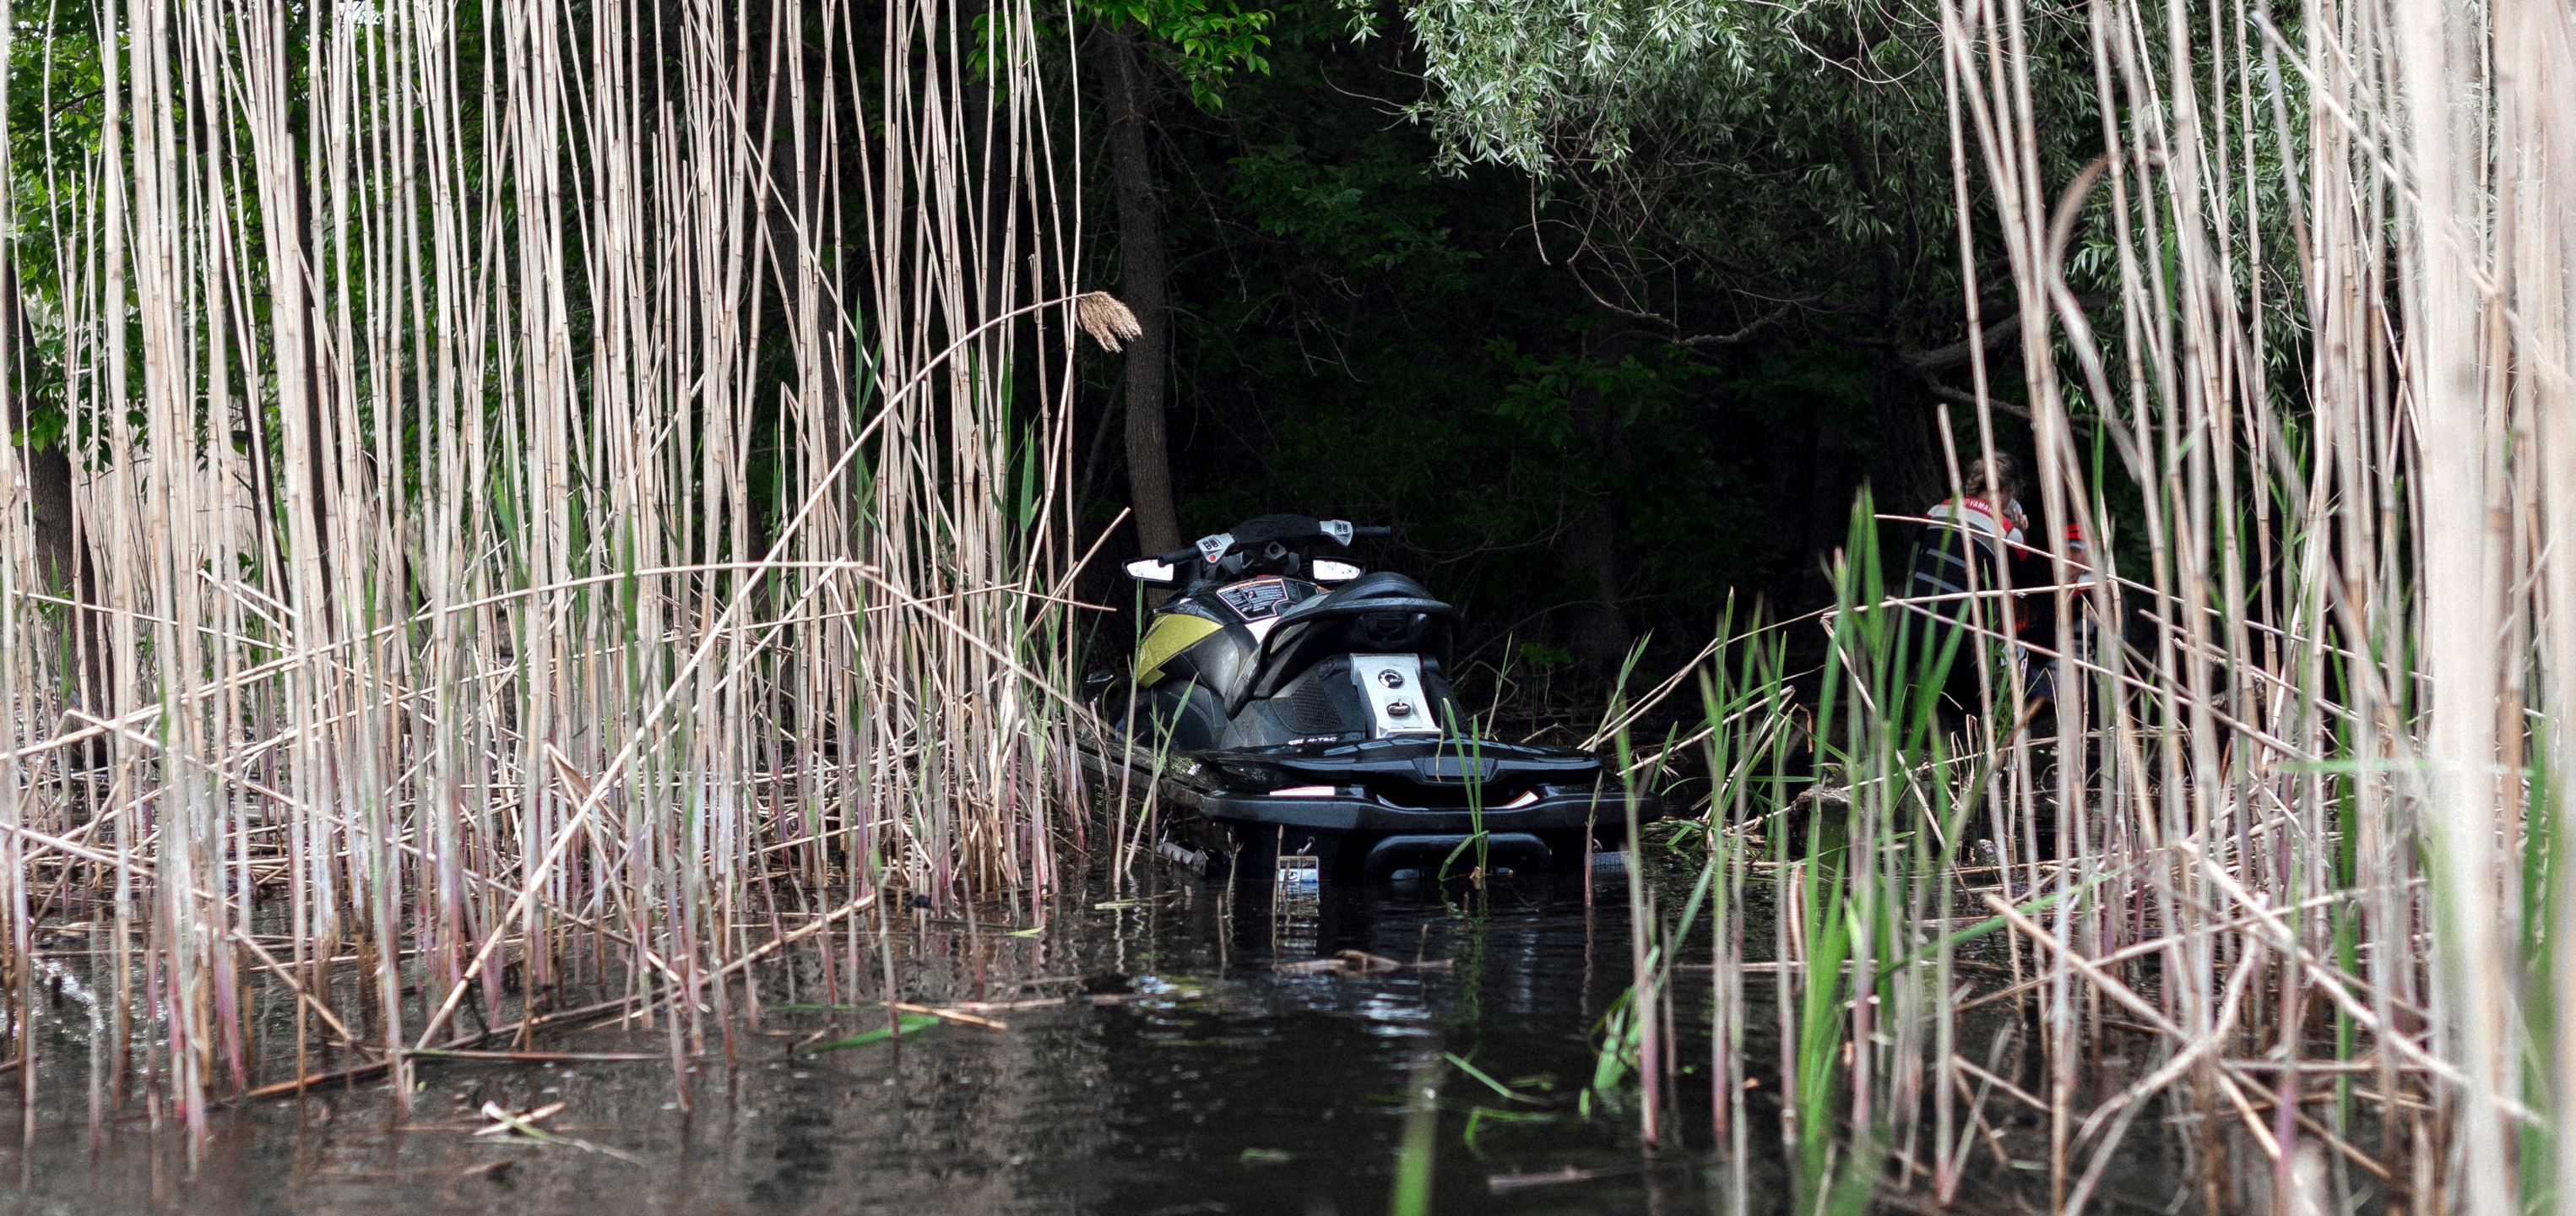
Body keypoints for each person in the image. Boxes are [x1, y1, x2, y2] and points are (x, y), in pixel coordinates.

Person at [1905, 453, 2045, 716]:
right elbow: (2027, 589)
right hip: (1950, 627)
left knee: (1890, 701)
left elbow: (1917, 553)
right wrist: (2021, 535)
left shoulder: (1938, 510)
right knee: (1965, 711)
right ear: (2011, 489)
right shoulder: (2006, 530)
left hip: (1910, 615)